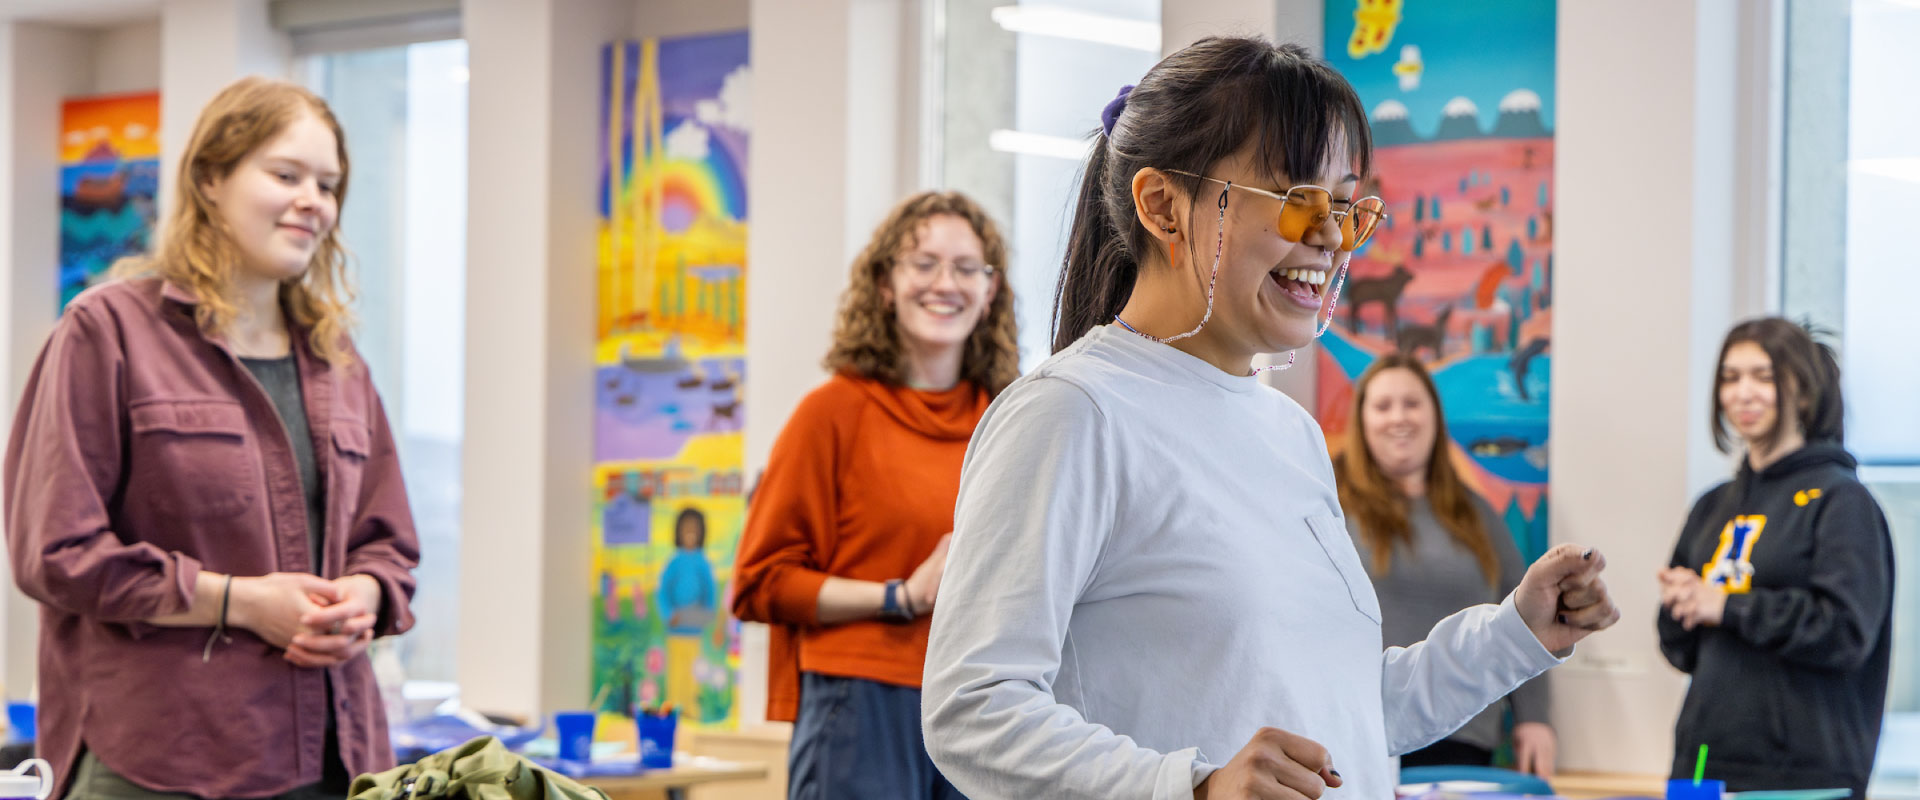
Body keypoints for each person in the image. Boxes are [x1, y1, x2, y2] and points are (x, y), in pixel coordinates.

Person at [921, 37, 1619, 800]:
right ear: (1163, 206)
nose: (1329, 235)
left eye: (1347, 205)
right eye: (1297, 199)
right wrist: (1189, 787)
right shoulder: (1072, 412)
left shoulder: (1291, 434)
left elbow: (1347, 712)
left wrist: (1517, 634)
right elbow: (973, 708)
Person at [4, 77, 419, 799]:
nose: (312, 201)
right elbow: (57, 552)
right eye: (285, 174)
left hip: (339, 760)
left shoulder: (338, 359)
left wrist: (365, 593)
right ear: (211, 179)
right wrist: (241, 601)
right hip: (163, 763)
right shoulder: (106, 333)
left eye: (328, 185)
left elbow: (390, 544)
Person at [731, 191, 1018, 799]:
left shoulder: (1010, 421)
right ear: (885, 283)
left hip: (983, 703)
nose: (946, 283)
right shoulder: (831, 414)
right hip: (859, 701)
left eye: (968, 267)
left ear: (990, 291)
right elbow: (760, 582)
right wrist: (899, 596)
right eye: (924, 263)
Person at [1657, 318, 1893, 798]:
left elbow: (1846, 632)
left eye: (1763, 377)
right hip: (1700, 766)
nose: (1743, 393)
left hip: (1803, 776)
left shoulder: (1843, 502)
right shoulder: (1712, 506)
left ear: (1804, 392)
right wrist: (1680, 607)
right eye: (1730, 377)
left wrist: (1726, 606)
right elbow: (1681, 651)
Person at [1335, 353, 1555, 776]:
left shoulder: (1476, 515)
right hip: (1362, 736)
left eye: (1412, 404)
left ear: (1434, 417)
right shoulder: (1331, 505)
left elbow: (1524, 616)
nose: (1399, 417)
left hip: (1465, 739)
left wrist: (1535, 718)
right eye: (1383, 406)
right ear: (1362, 422)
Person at [659, 507, 717, 716]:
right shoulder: (674, 562)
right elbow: (663, 592)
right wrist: (668, 614)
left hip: (695, 631)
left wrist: (707, 615)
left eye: (694, 529)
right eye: (686, 529)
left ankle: (692, 711)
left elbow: (710, 591)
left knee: (694, 674)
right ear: (679, 532)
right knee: (676, 673)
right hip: (676, 630)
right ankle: (675, 709)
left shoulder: (703, 563)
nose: (690, 533)